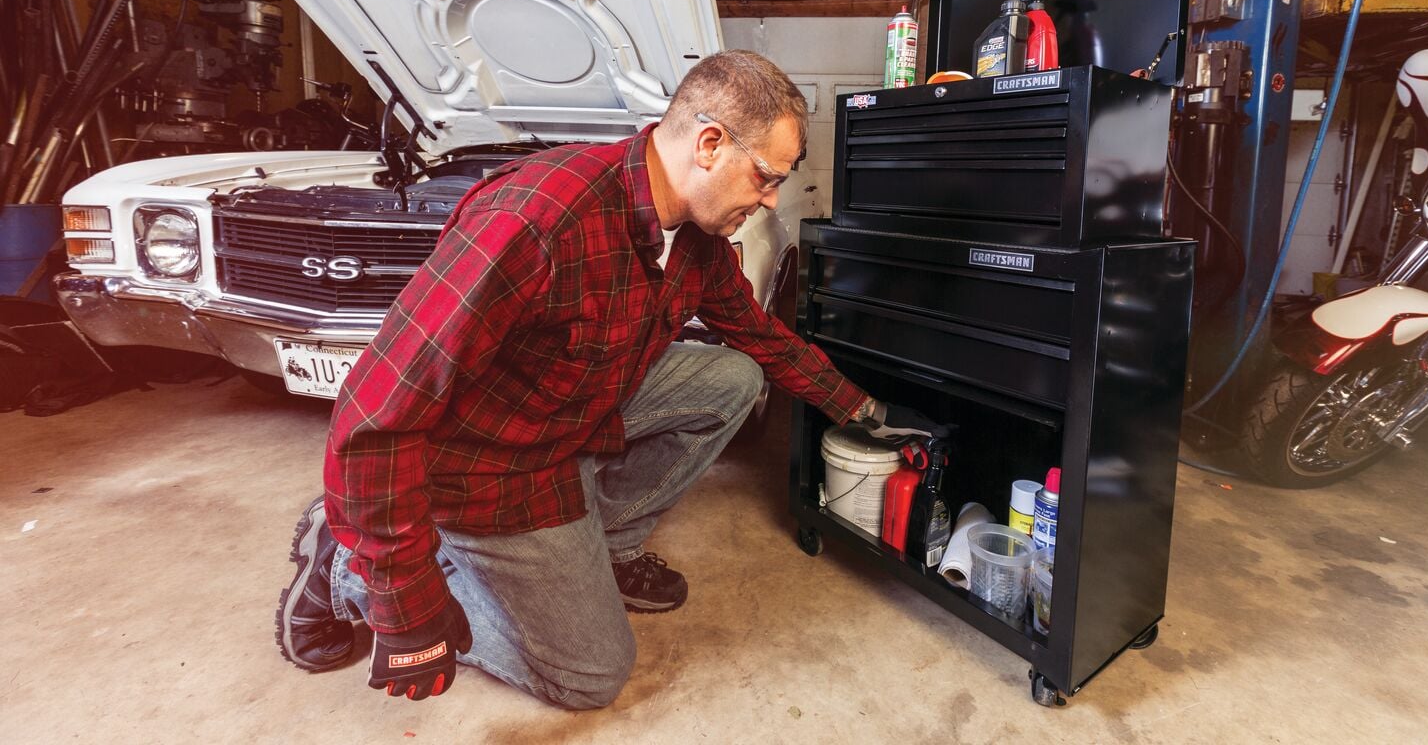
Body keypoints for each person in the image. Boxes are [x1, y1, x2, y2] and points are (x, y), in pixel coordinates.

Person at [273, 50, 936, 708]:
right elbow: (372, 417)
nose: (768, 202)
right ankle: (343, 568)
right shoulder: (537, 220)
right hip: (489, 469)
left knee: (732, 378)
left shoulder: (694, 238)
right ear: (709, 145)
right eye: (766, 178)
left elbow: (764, 339)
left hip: (570, 418)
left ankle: (608, 551)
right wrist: (404, 603)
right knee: (592, 674)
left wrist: (865, 412)